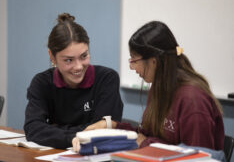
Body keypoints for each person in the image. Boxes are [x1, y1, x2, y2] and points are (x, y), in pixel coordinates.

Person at [73, 21, 224, 151]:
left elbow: (197, 157)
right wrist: (111, 126)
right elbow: (145, 134)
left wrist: (146, 143)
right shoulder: (159, 88)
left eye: (134, 60)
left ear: (153, 61)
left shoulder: (193, 100)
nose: (132, 67)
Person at [24, 13, 123, 149]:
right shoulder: (41, 83)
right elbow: (33, 128)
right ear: (52, 57)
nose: (78, 66)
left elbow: (102, 130)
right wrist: (75, 137)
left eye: (84, 56)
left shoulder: (107, 79)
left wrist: (55, 130)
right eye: (68, 60)